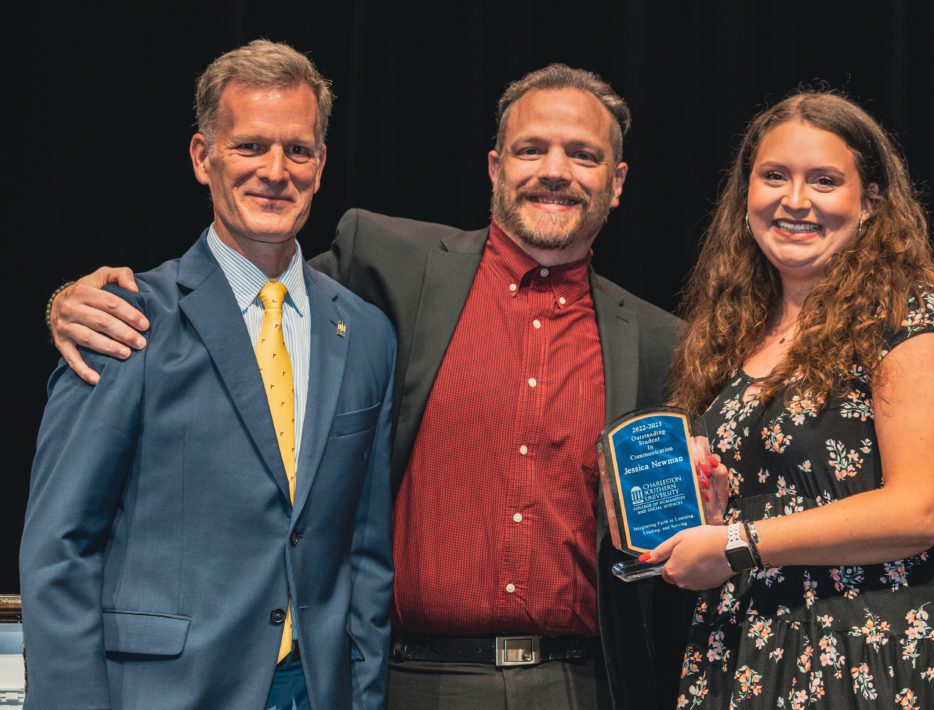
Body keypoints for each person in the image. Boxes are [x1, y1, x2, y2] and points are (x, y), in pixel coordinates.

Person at [47, 64, 691, 708]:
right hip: (414, 681)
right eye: (531, 149)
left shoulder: (662, 345)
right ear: (495, 168)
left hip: (581, 685)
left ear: (617, 182)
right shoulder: (389, 267)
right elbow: (244, 290)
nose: (555, 170)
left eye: (583, 155)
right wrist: (66, 303)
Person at [21, 40, 395, 710]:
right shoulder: (123, 319)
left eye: (297, 150)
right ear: (203, 157)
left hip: (314, 691)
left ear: (320, 165)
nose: (275, 171)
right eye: (250, 146)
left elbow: (365, 555)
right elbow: (60, 549)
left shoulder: (365, 334)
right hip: (164, 692)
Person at [642, 91, 934, 707]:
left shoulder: (909, 315)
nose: (795, 200)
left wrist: (738, 542)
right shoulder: (736, 334)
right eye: (774, 176)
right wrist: (712, 512)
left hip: (878, 653)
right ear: (746, 193)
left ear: (871, 203)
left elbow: (922, 509)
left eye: (825, 181)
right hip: (753, 648)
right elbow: (770, 510)